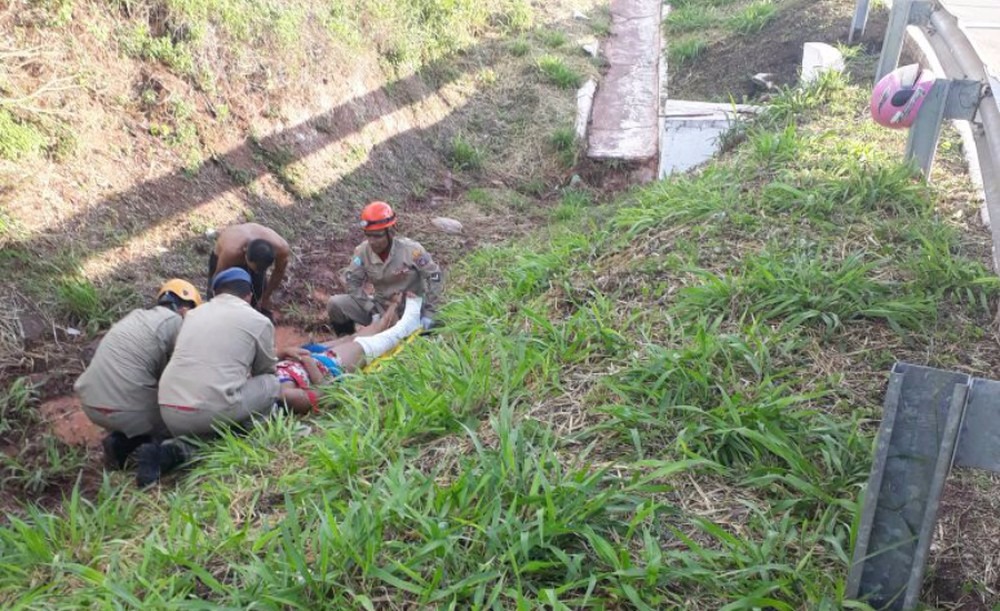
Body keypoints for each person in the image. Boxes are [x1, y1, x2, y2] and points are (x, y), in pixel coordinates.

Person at [144, 267, 299, 487]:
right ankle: (260, 435)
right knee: (270, 384)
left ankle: (175, 450)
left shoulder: (193, 314)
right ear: (249, 295)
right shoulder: (258, 320)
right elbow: (266, 370)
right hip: (209, 410)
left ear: (214, 293)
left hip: (169, 408)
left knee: (215, 421)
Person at [74, 279, 203, 470]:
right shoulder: (176, 323)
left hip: (91, 404)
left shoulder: (136, 316)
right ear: (186, 310)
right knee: (188, 422)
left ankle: (120, 443)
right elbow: (179, 379)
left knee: (148, 406)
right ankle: (155, 462)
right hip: (130, 410)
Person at [279, 292, 424, 413]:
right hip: (328, 366)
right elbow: (326, 393)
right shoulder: (287, 395)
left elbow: (273, 355)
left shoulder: (263, 375)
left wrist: (286, 351)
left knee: (353, 338)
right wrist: (309, 363)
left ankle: (387, 318)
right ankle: (406, 324)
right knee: (363, 345)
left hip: (313, 357)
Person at [326, 201, 444, 336]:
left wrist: (429, 313)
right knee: (336, 303)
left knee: (431, 335)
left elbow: (435, 276)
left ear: (391, 232)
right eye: (368, 235)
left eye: (377, 236)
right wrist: (370, 308)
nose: (372, 241)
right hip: (380, 309)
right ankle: (346, 341)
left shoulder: (412, 250)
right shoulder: (362, 251)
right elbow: (352, 282)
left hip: (412, 310)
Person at [208, 222, 290, 320]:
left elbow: (279, 272)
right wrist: (215, 302)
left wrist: (265, 298)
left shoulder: (281, 248)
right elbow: (218, 279)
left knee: (258, 291)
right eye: (254, 269)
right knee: (222, 296)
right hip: (223, 259)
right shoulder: (231, 251)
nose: (256, 272)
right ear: (245, 252)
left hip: (253, 257)